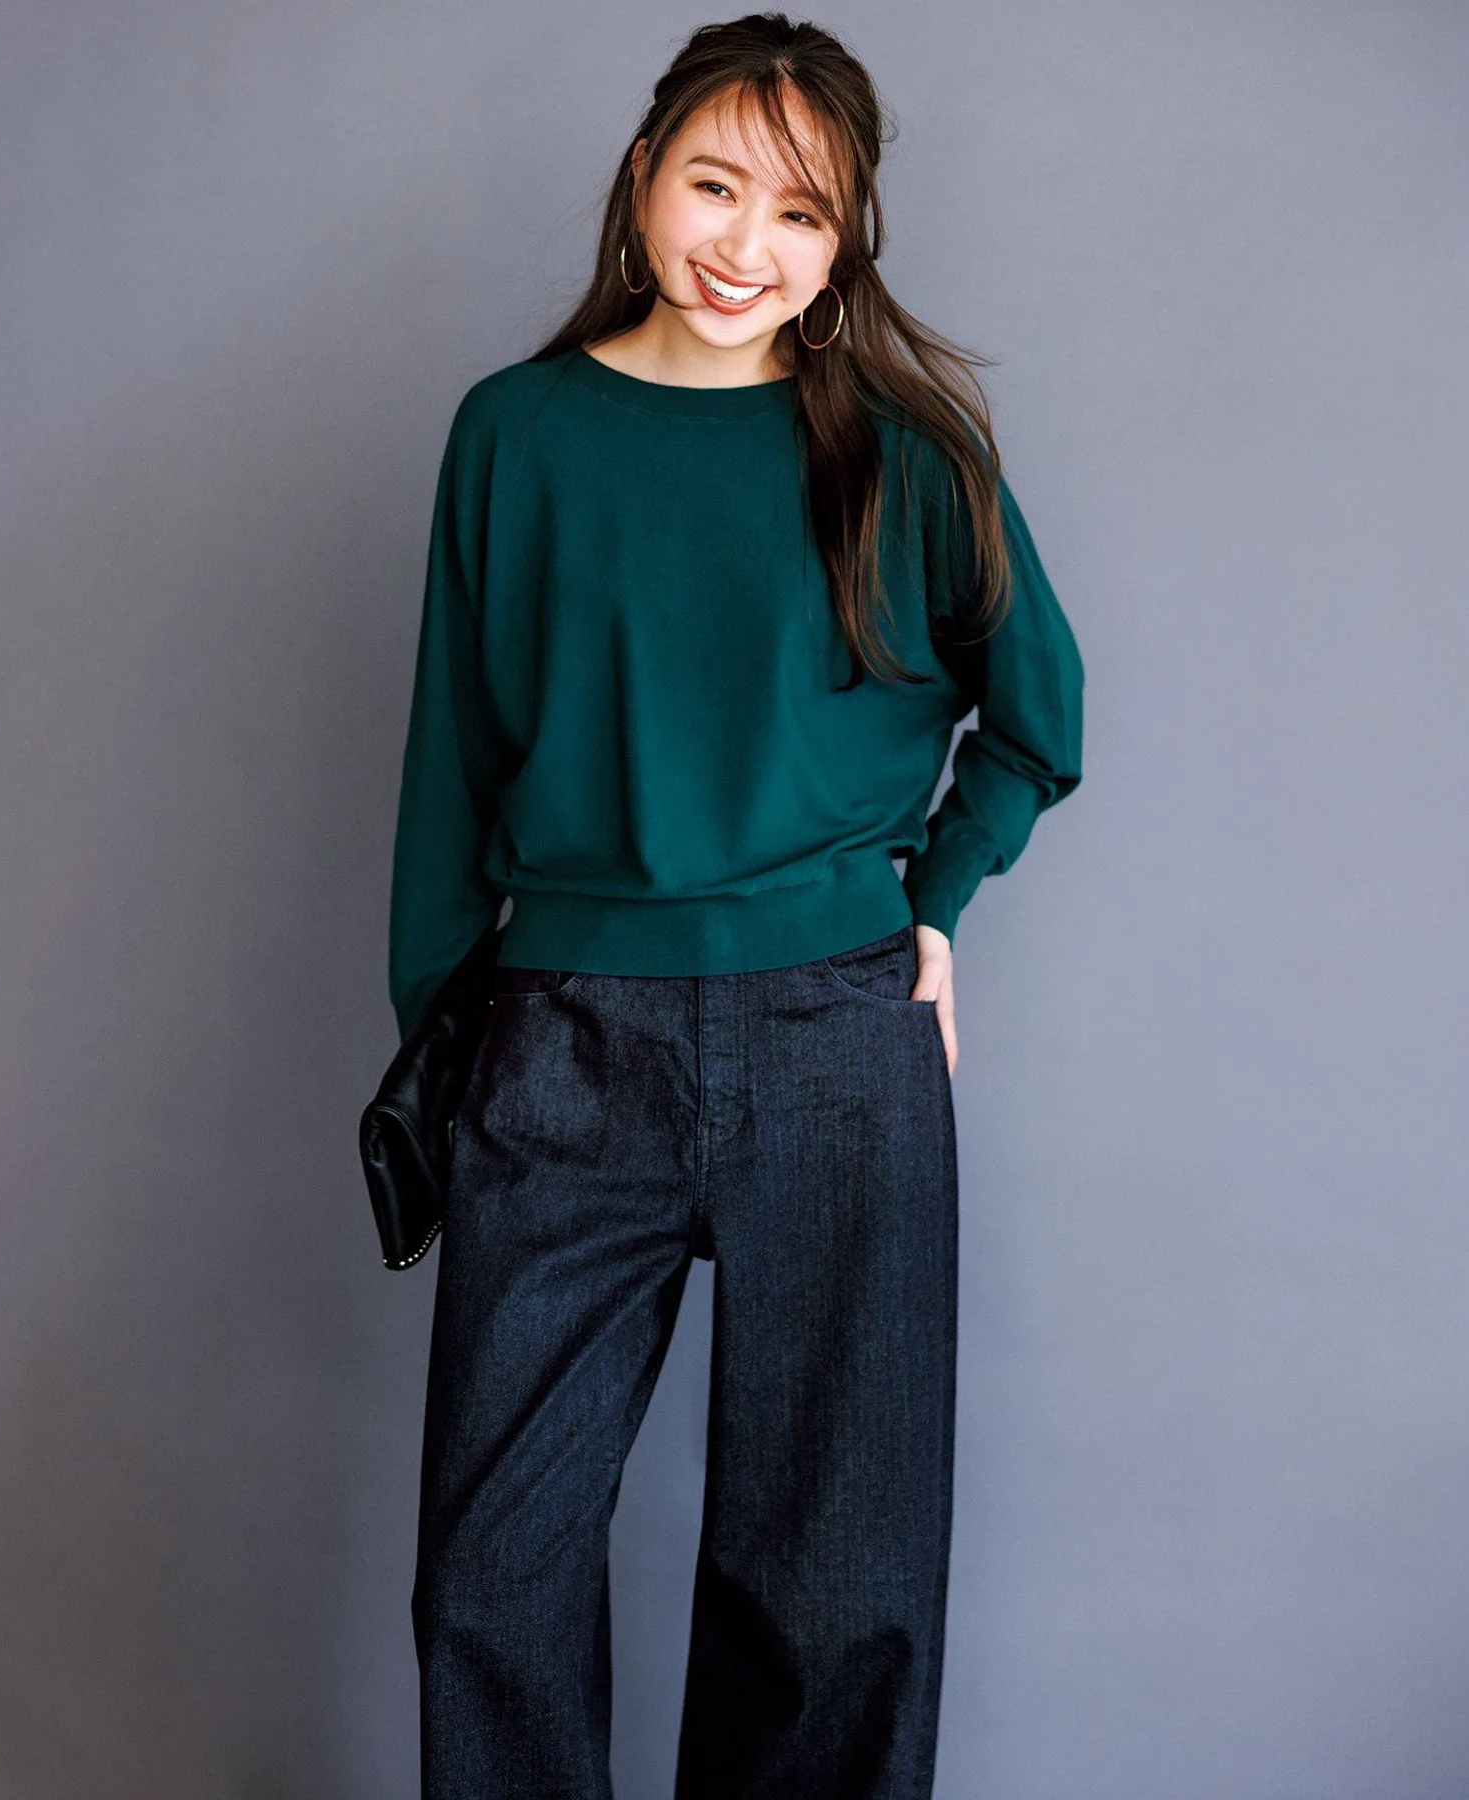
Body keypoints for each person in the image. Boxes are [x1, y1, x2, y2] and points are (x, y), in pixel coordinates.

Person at [387, 15, 1084, 1797]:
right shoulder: (517, 434)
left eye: (800, 211)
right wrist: (441, 1045)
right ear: (642, 181)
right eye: (714, 184)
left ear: (845, 244)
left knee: (835, 1590)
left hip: (837, 1035)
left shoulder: (907, 452)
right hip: (558, 1044)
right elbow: (451, 768)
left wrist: (937, 906)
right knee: (492, 1576)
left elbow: (1040, 718)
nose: (744, 244)